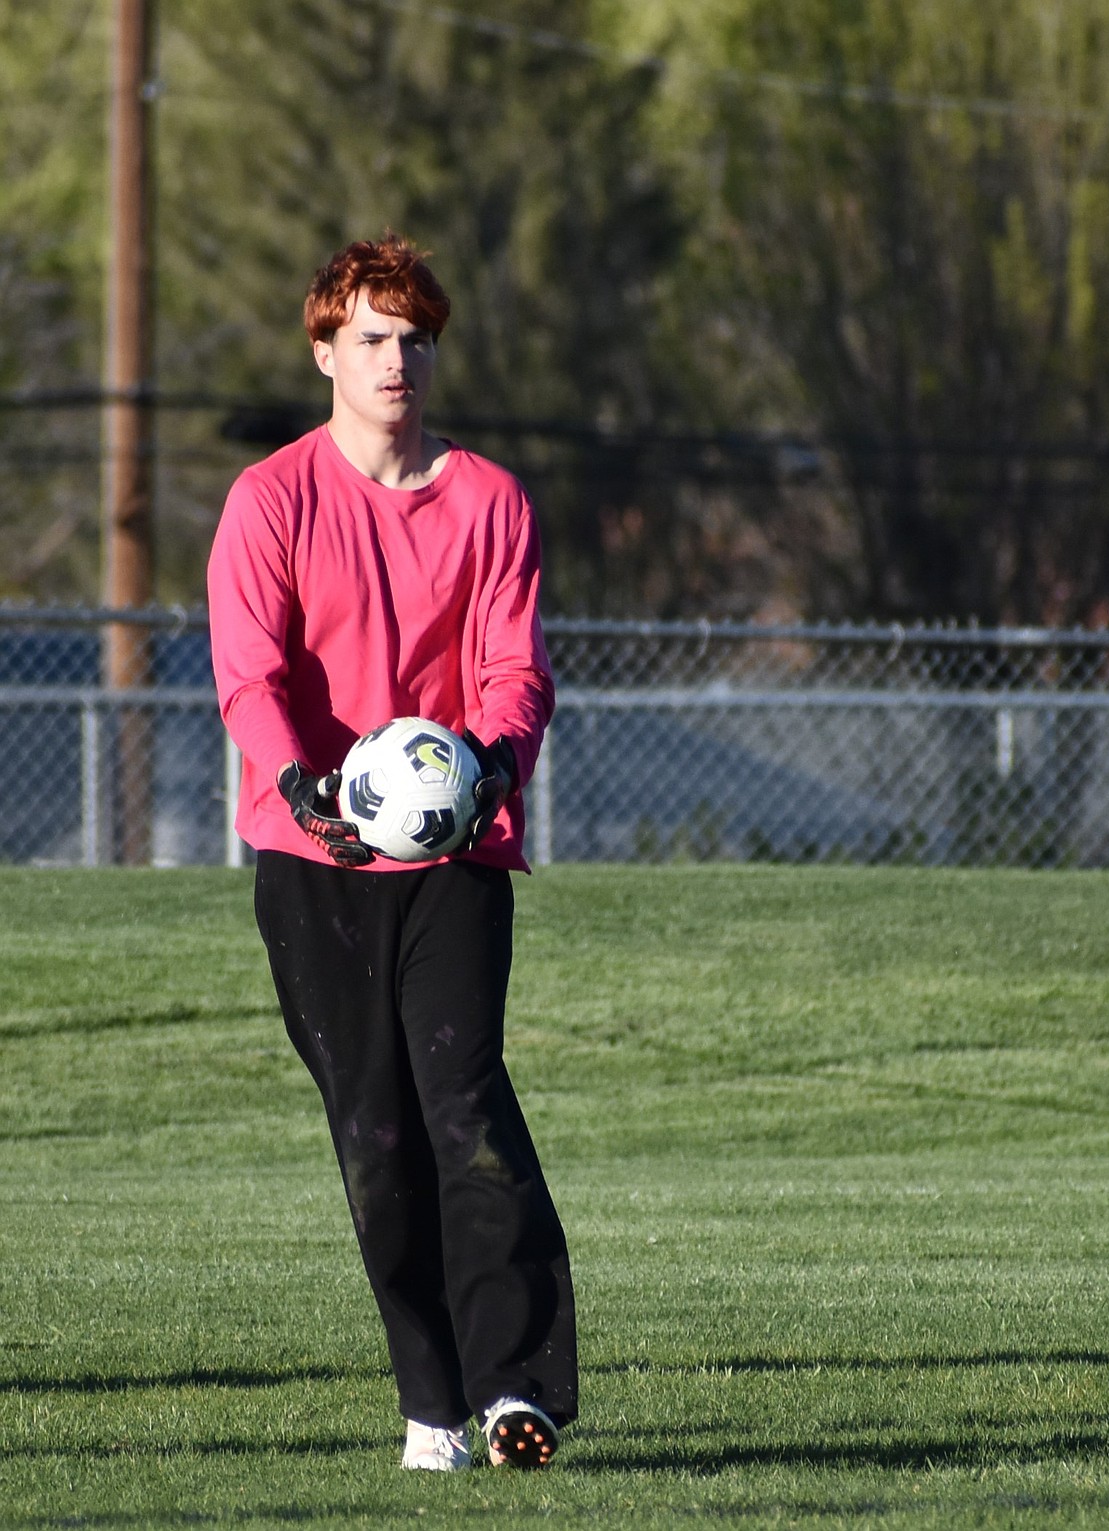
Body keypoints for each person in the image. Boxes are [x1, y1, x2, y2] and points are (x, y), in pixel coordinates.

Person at [207, 231, 577, 1472]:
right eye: (371, 336)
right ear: (326, 350)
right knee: (375, 1133)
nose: (397, 358)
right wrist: (307, 790)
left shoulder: (491, 500)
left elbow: (513, 670)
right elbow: (248, 678)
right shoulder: (272, 498)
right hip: (313, 860)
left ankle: (517, 1389)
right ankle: (433, 1404)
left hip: (458, 853)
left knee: (464, 1102)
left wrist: (497, 769)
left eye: (416, 336)